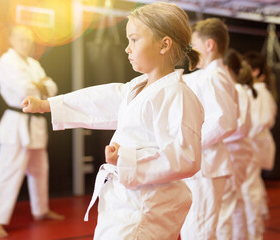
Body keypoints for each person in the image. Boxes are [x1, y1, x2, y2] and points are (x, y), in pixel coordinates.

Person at [22, 2, 204, 239]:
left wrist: (127, 158)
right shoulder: (136, 87)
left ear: (164, 44)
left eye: (134, 40)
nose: (127, 49)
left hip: (146, 210)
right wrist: (48, 104)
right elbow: (99, 100)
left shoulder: (177, 95)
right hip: (124, 202)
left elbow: (186, 158)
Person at [0, 25, 64, 238]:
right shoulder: (6, 61)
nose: (26, 43)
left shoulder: (33, 64)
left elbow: (52, 88)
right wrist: (40, 86)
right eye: (21, 39)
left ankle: (41, 210)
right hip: (16, 122)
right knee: (7, 173)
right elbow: (24, 90)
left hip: (35, 123)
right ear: (12, 39)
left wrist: (39, 86)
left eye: (29, 40)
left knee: (40, 169)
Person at [180, 18, 239, 240]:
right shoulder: (211, 76)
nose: (191, 52)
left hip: (208, 165)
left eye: (194, 45)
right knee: (199, 229)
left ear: (209, 45)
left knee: (199, 231)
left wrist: (190, 142)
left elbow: (225, 121)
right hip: (206, 165)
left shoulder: (214, 77)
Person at [219, 49, 256, 240]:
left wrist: (214, 136)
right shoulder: (235, 90)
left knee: (225, 208)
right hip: (234, 152)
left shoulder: (238, 90)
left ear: (224, 68)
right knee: (234, 204)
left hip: (235, 153)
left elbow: (240, 127)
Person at [242, 51, 277, 240]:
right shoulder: (250, 91)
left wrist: (242, 136)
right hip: (250, 144)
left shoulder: (260, 93)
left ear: (255, 71)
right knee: (249, 188)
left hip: (253, 145)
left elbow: (262, 121)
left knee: (250, 189)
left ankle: (254, 233)